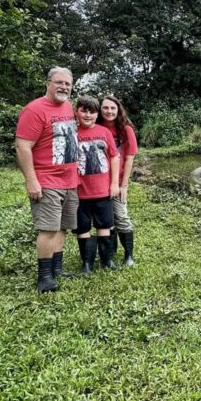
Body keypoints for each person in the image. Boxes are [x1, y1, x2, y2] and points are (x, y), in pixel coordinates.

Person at [15, 67, 78, 293]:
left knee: (62, 228)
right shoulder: (34, 110)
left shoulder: (68, 106)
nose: (63, 87)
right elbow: (23, 146)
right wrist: (31, 181)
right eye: (59, 82)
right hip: (47, 180)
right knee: (49, 229)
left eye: (68, 84)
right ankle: (44, 277)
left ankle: (56, 269)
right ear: (48, 83)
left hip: (70, 180)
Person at [74, 95, 119, 274]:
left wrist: (114, 183)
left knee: (104, 225)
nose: (87, 115)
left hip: (103, 190)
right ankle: (87, 263)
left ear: (96, 114)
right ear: (76, 111)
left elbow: (115, 157)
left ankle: (106, 260)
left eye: (92, 112)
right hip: (80, 192)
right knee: (82, 227)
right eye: (84, 111)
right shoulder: (72, 133)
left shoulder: (104, 132)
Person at [98, 94, 138, 266]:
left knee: (121, 216)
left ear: (118, 110)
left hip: (118, 180)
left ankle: (128, 255)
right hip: (98, 181)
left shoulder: (126, 130)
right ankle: (109, 252)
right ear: (100, 110)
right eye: (105, 108)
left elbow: (129, 158)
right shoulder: (95, 126)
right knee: (105, 219)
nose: (109, 111)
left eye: (113, 108)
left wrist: (124, 185)